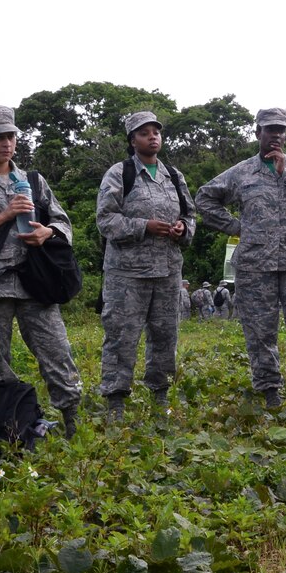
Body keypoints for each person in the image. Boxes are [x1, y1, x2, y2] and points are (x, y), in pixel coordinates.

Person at [0, 105, 84, 437]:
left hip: (35, 282)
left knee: (57, 351)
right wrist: (4, 216)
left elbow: (63, 222)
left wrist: (46, 233)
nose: (6, 143)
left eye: (11, 136)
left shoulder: (33, 180)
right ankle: (5, 430)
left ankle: (72, 425)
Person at [195, 108, 286, 408]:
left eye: (281, 130)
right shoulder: (242, 172)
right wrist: (236, 226)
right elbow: (204, 198)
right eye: (270, 130)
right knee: (260, 334)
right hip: (255, 266)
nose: (277, 135)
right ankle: (270, 394)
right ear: (258, 133)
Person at [94, 108, 195, 420]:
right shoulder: (119, 174)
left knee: (166, 335)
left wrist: (183, 229)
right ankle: (115, 400)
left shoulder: (174, 176)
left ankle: (159, 395)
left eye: (156, 131)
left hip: (167, 271)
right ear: (132, 140)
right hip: (127, 275)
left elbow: (190, 215)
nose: (152, 137)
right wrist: (142, 226)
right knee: (122, 335)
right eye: (144, 132)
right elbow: (105, 220)